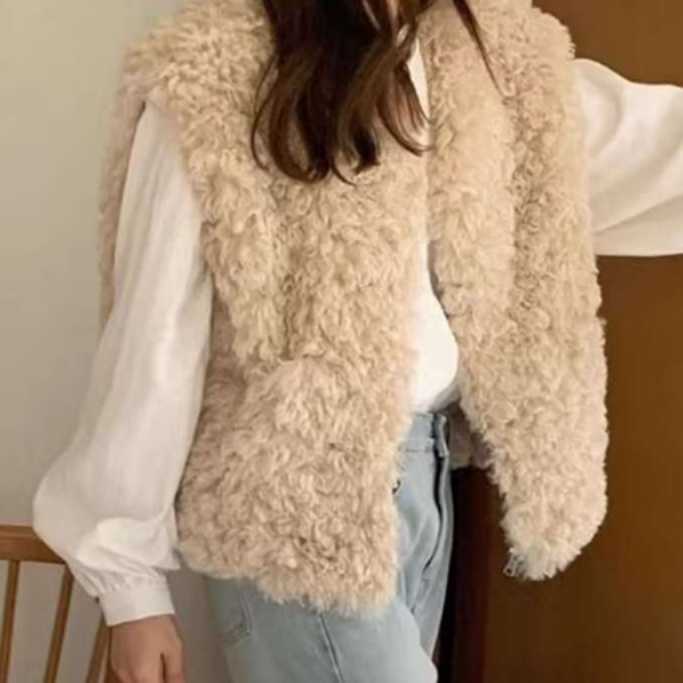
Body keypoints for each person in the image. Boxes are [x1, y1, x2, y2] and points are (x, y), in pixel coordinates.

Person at [32, 0, 683, 681]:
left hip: (425, 480)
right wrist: (128, 584)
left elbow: (634, 148)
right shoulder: (217, 66)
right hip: (291, 500)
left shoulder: (487, 59)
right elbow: (157, 332)